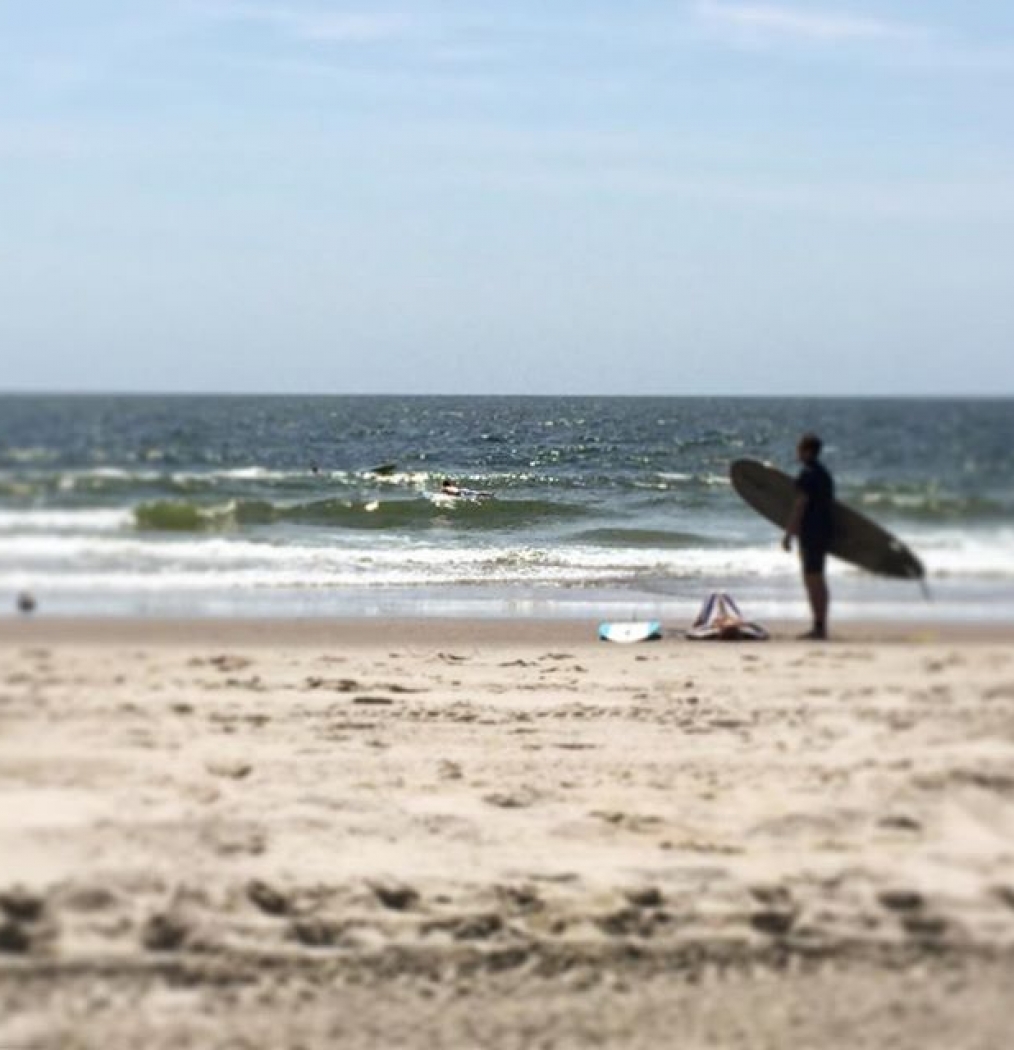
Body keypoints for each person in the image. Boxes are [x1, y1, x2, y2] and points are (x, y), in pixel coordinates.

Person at [782, 433, 834, 640]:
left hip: (810, 535)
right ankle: (821, 625)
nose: (797, 453)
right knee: (818, 580)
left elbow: (800, 505)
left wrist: (788, 534)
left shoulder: (807, 474)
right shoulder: (825, 475)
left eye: (799, 449)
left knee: (812, 581)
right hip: (823, 533)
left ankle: (818, 628)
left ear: (807, 451)